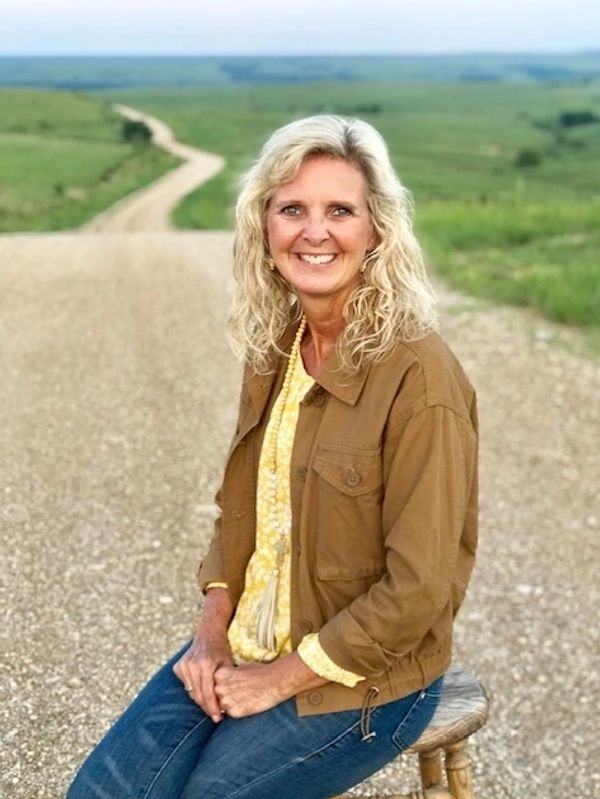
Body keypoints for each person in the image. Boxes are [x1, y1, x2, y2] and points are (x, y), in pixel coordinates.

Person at [67, 115, 478, 799]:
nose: (313, 232)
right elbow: (242, 512)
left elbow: (419, 592)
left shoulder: (419, 375)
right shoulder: (276, 347)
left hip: (368, 676)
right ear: (265, 226)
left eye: (339, 210)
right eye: (293, 209)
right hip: (254, 635)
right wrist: (209, 635)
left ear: (375, 228)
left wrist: (278, 679)